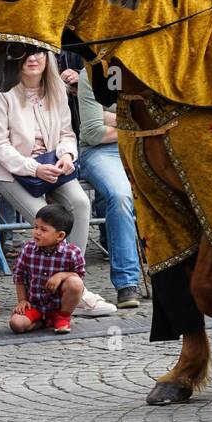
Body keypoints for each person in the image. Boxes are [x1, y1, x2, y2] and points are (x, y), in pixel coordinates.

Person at [0, 50, 93, 252]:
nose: (32, 59)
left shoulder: (57, 89)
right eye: (24, 54)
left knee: (81, 204)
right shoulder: (1, 93)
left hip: (52, 165)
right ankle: (59, 273)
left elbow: (67, 134)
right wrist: (34, 168)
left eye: (38, 53)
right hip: (10, 171)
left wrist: (67, 155)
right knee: (47, 221)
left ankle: (73, 273)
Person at [77, 68, 143, 308]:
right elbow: (94, 132)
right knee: (121, 196)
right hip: (101, 152)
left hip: (147, 144)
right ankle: (127, 283)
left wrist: (111, 117)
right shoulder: (93, 73)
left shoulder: (148, 64)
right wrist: (135, 122)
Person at [9, 203, 86, 336]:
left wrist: (61, 275)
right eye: (35, 227)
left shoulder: (72, 253)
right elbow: (19, 275)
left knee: (75, 283)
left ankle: (62, 317)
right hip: (34, 305)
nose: (36, 232)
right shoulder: (28, 249)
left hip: (57, 305)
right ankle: (43, 322)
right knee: (16, 324)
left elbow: (79, 275)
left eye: (43, 230)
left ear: (60, 236)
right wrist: (22, 300)